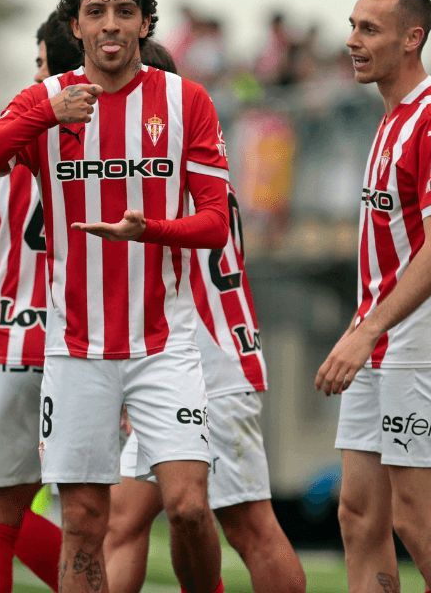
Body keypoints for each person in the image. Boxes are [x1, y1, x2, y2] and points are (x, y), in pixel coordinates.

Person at [0, 0, 227, 593]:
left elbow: (215, 223)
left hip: (164, 343)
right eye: (96, 11)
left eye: (124, 12)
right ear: (75, 26)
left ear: (145, 24)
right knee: (82, 520)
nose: (110, 25)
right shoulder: (44, 100)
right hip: (74, 347)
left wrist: (149, 229)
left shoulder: (185, 100)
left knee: (188, 505)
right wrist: (45, 114)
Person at [102, 41, 305, 593]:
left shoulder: (165, 168)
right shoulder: (188, 163)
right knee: (123, 519)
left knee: (247, 524)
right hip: (171, 364)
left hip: (211, 363)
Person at [316, 0, 431, 593]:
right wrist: (363, 328)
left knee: (420, 524)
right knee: (359, 515)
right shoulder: (393, 118)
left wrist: (368, 332)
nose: (352, 41)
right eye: (352, 25)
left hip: (422, 351)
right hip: (380, 344)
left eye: (369, 29)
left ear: (413, 39)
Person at [0, 11, 81, 593]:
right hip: (95, 343)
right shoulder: (120, 137)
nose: (35, 75)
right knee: (101, 521)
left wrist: (10, 289)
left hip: (15, 338)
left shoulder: (1, 138)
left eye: (40, 63)